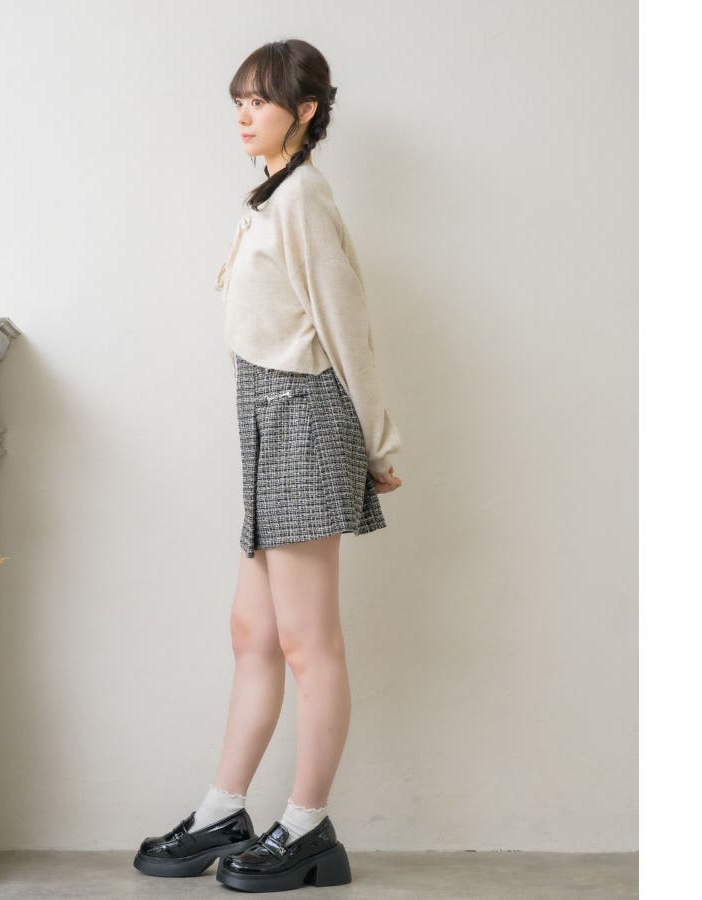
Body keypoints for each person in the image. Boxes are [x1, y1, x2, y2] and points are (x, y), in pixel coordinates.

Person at [134, 38, 403, 892]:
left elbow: (347, 326)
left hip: (305, 422)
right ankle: (225, 809)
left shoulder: (304, 200)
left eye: (260, 101)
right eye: (239, 102)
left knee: (308, 641)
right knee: (252, 633)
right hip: (266, 425)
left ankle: (311, 826)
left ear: (306, 110)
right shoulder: (272, 196)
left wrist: (378, 443)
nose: (244, 116)